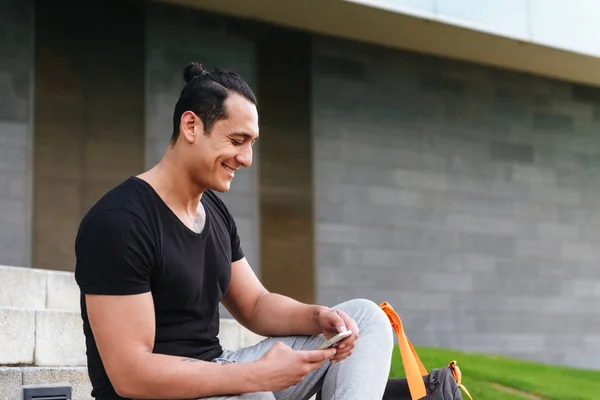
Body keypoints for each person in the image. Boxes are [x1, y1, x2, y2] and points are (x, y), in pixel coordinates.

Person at [74, 61, 393, 400]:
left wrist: (317, 317)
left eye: (252, 142)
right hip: (156, 394)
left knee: (366, 318)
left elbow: (255, 304)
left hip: (217, 371)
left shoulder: (213, 211)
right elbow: (131, 375)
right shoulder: (120, 221)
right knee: (254, 394)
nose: (247, 158)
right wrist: (254, 376)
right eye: (238, 140)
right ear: (191, 126)